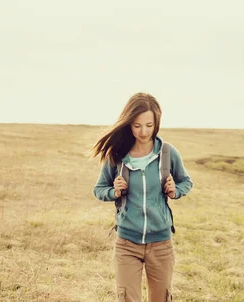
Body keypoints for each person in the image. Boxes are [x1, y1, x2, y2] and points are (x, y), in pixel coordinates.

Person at [92, 92, 193, 302]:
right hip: (127, 243)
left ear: (157, 121)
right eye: (137, 125)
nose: (144, 131)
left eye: (149, 125)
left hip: (161, 244)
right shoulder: (117, 155)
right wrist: (114, 191)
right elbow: (99, 189)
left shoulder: (167, 153)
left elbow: (186, 182)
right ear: (129, 123)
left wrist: (176, 190)